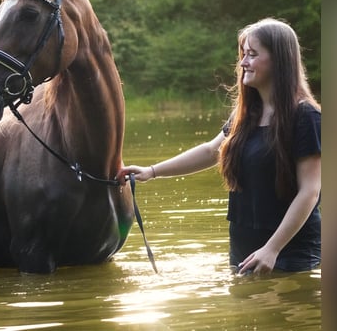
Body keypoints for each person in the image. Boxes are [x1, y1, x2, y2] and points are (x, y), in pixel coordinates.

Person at [118, 18, 321, 275]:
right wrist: (152, 171)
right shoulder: (246, 114)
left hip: (291, 253)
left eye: (252, 55)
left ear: (279, 61)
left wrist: (273, 248)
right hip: (244, 246)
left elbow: (310, 192)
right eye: (243, 54)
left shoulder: (306, 117)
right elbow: (211, 151)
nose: (243, 62)